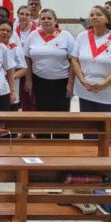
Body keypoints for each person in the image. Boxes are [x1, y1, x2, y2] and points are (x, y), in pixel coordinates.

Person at [24, 8, 75, 139]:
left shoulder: (66, 36)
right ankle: (43, 142)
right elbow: (27, 58)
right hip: (39, 81)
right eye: (43, 18)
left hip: (61, 82)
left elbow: (74, 61)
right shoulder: (33, 35)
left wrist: (70, 83)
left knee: (61, 116)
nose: (46, 21)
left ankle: (61, 143)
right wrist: (28, 79)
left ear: (55, 20)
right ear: (39, 21)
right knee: (42, 113)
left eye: (49, 18)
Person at [72, 6, 111, 117]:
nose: (94, 17)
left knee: (106, 128)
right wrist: (83, 81)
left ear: (107, 19)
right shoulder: (82, 36)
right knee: (87, 127)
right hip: (85, 89)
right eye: (92, 15)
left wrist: (104, 84)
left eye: (98, 14)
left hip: (107, 90)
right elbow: (74, 60)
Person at [0, 20, 27, 111]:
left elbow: (24, 69)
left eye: (8, 31)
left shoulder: (15, 48)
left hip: (11, 90)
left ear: (12, 33)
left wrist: (10, 76)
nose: (5, 32)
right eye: (2, 29)